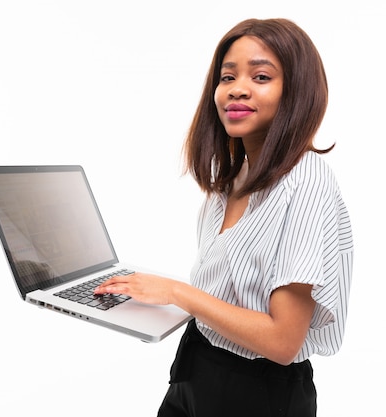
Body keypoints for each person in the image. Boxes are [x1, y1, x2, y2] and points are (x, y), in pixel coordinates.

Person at [94, 17, 353, 416]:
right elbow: (228, 296)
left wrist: (178, 292)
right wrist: (146, 295)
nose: (237, 89)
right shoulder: (234, 175)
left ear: (296, 91)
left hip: (259, 393)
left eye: (261, 76)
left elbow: (283, 342)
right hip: (196, 365)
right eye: (227, 76)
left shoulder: (306, 181)